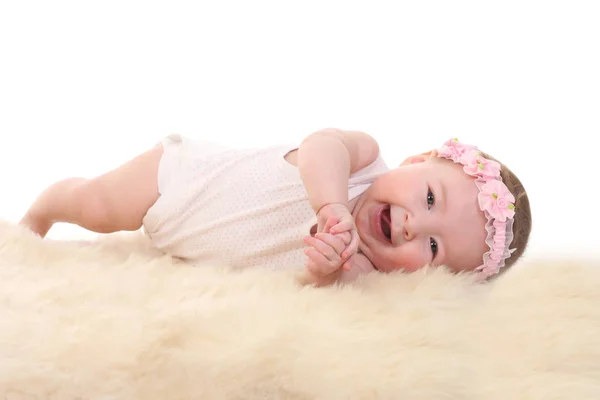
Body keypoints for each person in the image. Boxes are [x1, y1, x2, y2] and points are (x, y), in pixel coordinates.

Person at [19, 128, 532, 286]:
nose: (411, 226)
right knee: (97, 205)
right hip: (175, 186)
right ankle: (42, 211)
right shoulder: (361, 162)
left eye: (434, 246)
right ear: (418, 160)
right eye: (428, 198)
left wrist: (331, 273)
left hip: (194, 251)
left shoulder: (362, 267)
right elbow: (319, 146)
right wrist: (330, 202)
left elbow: (315, 295)